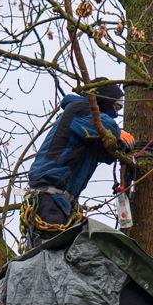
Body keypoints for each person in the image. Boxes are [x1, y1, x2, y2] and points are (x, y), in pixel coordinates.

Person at [24, 82, 134, 248]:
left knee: (67, 255)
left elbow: (105, 154)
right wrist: (118, 133)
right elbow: (107, 125)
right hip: (49, 197)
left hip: (62, 203)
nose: (116, 114)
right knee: (51, 255)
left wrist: (121, 146)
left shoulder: (88, 130)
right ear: (103, 100)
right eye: (116, 107)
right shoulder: (78, 109)